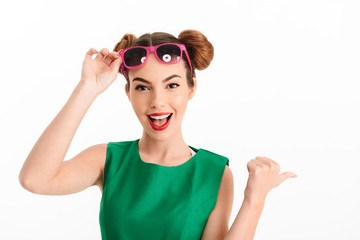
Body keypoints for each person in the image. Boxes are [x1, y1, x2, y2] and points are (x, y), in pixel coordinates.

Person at [19, 29, 297, 240]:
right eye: (142, 87)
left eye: (172, 85)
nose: (157, 101)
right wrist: (87, 88)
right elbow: (35, 179)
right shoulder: (108, 160)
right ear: (127, 93)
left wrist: (254, 199)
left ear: (191, 89)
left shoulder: (215, 173)